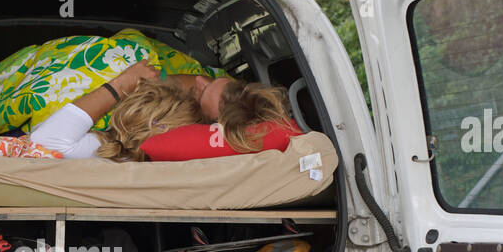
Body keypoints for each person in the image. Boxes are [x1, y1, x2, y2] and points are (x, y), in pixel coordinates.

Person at [28, 63, 301, 162]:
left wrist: (122, 83)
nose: (199, 79)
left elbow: (44, 143)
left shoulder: (114, 152)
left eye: (200, 93)